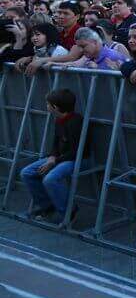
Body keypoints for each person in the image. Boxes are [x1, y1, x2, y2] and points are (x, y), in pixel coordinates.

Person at [20, 88, 85, 224]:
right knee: (27, 172)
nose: (47, 106)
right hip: (60, 157)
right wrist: (52, 156)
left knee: (50, 179)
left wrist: (55, 160)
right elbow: (55, 143)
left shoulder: (76, 122)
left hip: (76, 159)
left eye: (48, 104)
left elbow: (76, 152)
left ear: (55, 107)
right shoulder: (58, 120)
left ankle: (69, 211)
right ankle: (48, 206)